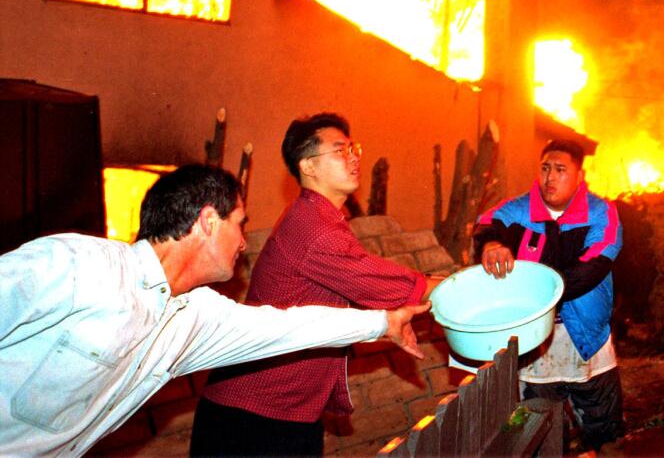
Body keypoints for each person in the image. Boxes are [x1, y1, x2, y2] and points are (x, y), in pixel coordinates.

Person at [0, 165, 429, 456]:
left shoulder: (193, 316)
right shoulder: (78, 265)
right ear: (208, 221)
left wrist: (382, 322)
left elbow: (286, 326)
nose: (244, 241)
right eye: (239, 224)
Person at [193, 113, 434, 456]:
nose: (353, 157)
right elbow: (397, 286)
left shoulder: (323, 219)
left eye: (354, 149)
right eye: (340, 151)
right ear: (308, 166)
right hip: (252, 420)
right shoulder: (313, 228)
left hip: (285, 414)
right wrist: (465, 286)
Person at [473, 139, 625, 452]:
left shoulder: (601, 214)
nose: (550, 177)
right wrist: (491, 245)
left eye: (560, 170)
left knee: (604, 436)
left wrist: (534, 293)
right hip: (534, 347)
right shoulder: (518, 210)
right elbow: (486, 223)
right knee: (537, 435)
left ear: (580, 176)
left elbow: (592, 268)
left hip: (588, 343)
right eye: (545, 169)